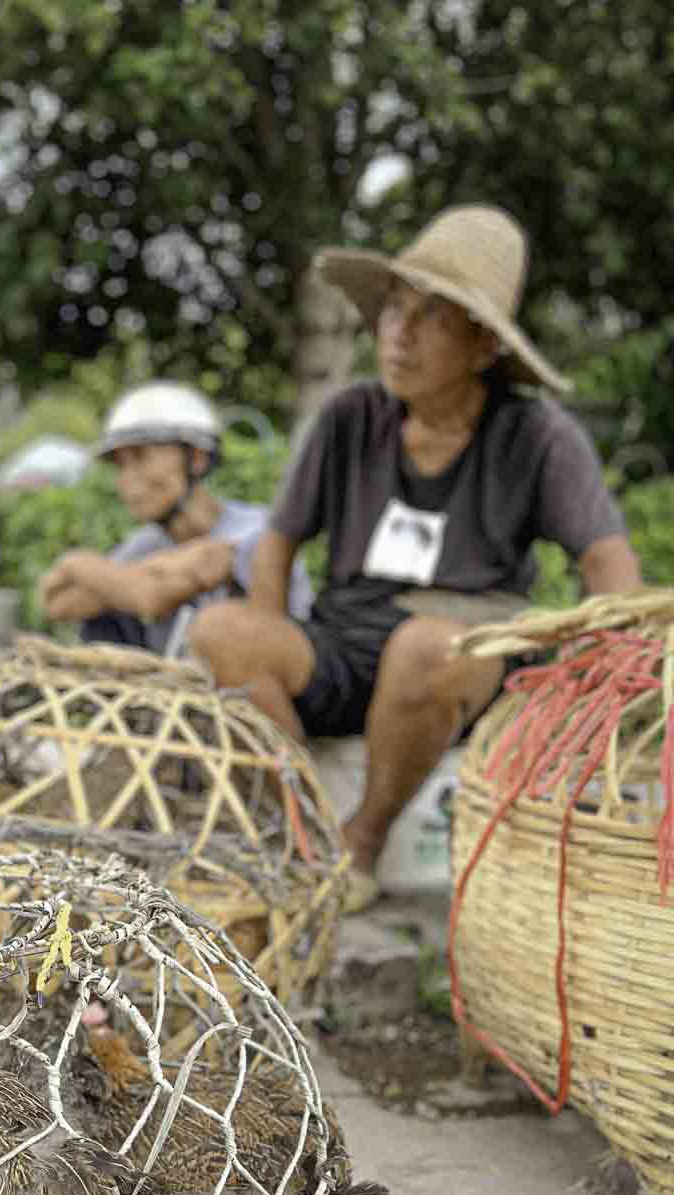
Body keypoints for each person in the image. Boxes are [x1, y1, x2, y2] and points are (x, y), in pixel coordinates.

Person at [189, 204, 642, 913]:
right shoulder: (349, 419)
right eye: (394, 310)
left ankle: (362, 845)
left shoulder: (537, 436)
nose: (398, 335)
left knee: (426, 647)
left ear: (484, 344)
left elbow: (607, 559)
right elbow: (276, 544)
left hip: (463, 648)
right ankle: (303, 835)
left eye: (431, 318)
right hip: (347, 638)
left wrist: (608, 672)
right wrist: (271, 643)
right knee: (223, 630)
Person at [38, 381, 312, 655]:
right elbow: (59, 601)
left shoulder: (255, 531)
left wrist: (75, 563)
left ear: (196, 458)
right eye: (120, 465)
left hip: (253, 689)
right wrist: (143, 574)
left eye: (141, 457)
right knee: (103, 620)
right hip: (176, 689)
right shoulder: (146, 544)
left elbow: (150, 596)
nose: (126, 480)